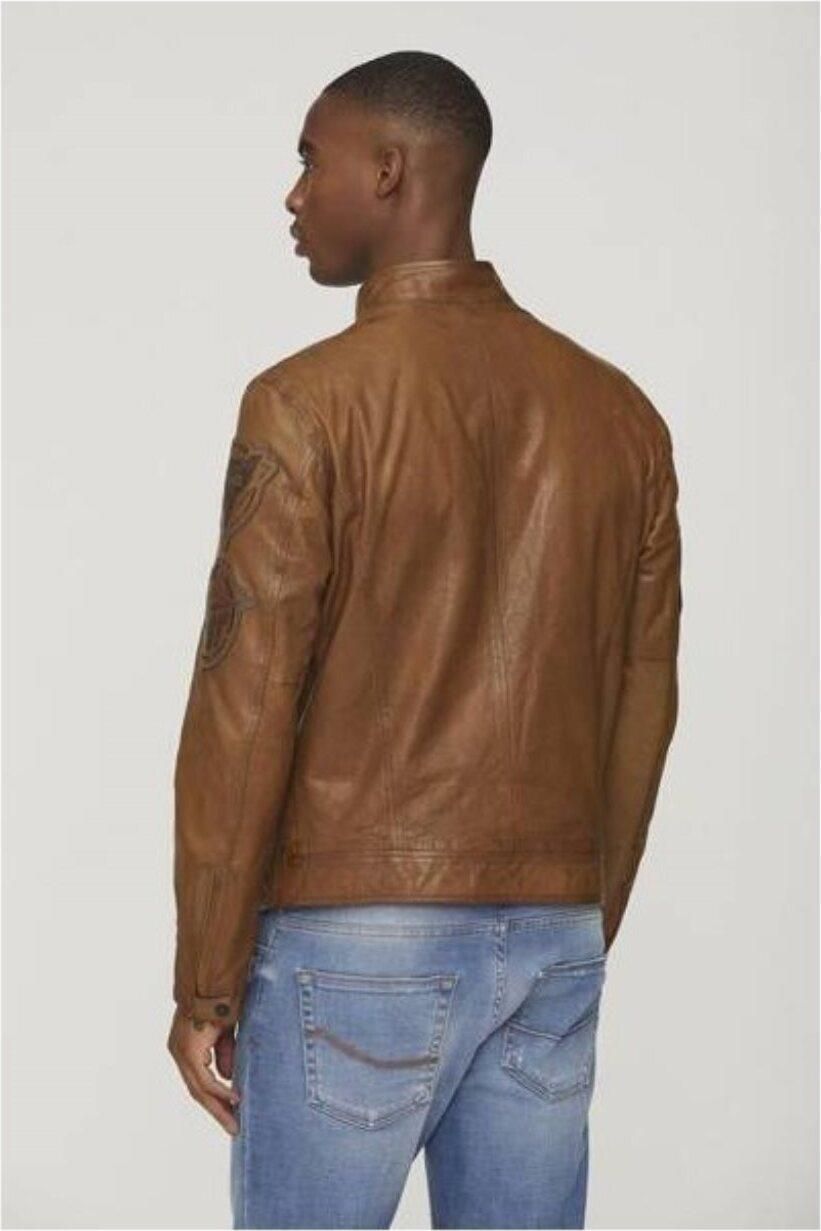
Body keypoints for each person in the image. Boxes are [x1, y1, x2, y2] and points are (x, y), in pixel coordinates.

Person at [166, 49, 682, 1231]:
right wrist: (574, 917)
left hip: (352, 939)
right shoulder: (620, 418)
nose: (294, 192)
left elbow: (247, 700)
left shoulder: (305, 404)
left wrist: (205, 978)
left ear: (389, 170)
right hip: (553, 932)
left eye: (312, 159)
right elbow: (643, 697)